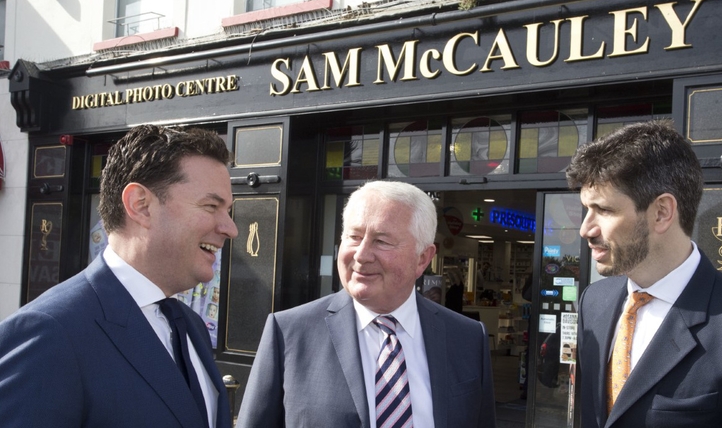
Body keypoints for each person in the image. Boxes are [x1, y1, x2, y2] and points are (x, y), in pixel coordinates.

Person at [565, 119, 722, 427]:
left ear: (662, 212)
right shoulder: (594, 302)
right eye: (586, 209)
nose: (585, 229)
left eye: (604, 210)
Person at [0, 125, 238, 428]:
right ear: (140, 205)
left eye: (227, 210)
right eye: (211, 206)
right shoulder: (50, 332)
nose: (231, 229)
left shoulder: (191, 326)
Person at [237, 180, 496, 428]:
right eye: (354, 236)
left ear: (422, 258)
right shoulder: (289, 332)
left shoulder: (467, 338)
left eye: (381, 241)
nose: (361, 255)